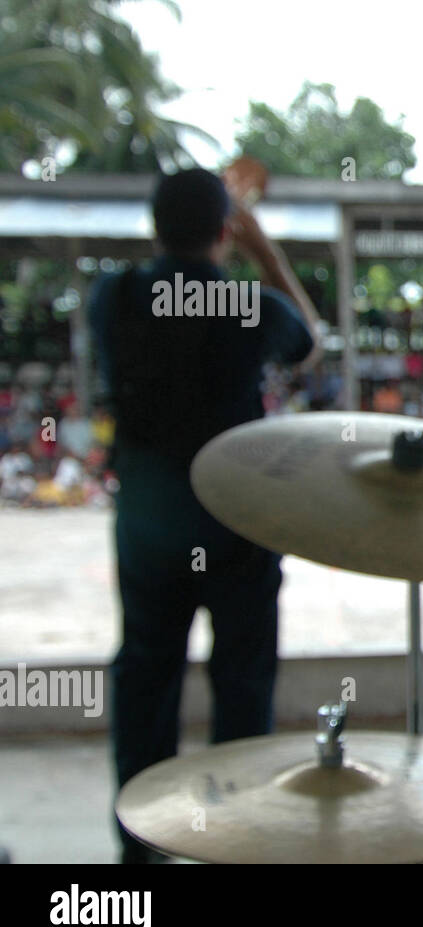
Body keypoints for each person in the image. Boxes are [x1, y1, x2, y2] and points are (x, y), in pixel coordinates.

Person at [90, 168, 321, 863]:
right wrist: (266, 253)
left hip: (149, 527)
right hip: (237, 524)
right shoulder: (251, 303)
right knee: (243, 688)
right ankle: (236, 843)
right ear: (226, 230)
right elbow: (307, 344)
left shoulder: (115, 296)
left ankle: (138, 854)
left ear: (155, 230)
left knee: (145, 682)